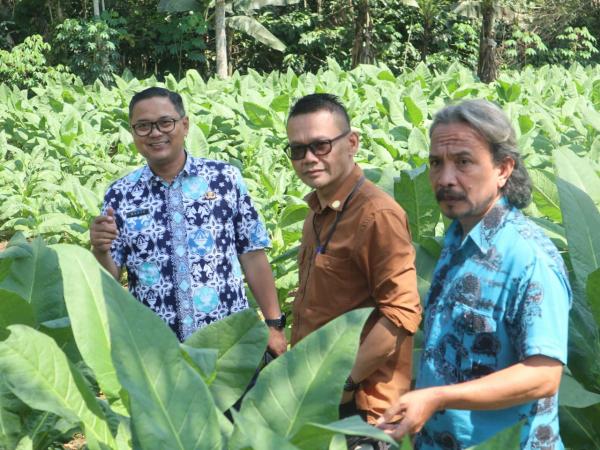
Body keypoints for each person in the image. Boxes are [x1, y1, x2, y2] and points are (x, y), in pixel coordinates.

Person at [377, 99, 571, 449]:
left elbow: (544, 375)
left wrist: (437, 397)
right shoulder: (457, 239)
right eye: (437, 163)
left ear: (503, 169)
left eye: (464, 162)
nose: (446, 178)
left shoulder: (528, 257)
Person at [89, 87, 287, 356]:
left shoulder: (224, 179)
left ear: (184, 125)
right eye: (143, 126)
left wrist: (274, 325)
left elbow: (252, 254)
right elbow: (111, 277)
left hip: (228, 344)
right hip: (156, 349)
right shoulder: (121, 193)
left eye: (165, 123)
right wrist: (100, 250)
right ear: (133, 133)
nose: (155, 133)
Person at [286, 93, 422, 449]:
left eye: (320, 145)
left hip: (362, 408)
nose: (309, 158)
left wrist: (343, 382)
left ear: (352, 143)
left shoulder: (377, 214)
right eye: (297, 150)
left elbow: (401, 314)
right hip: (319, 394)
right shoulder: (318, 210)